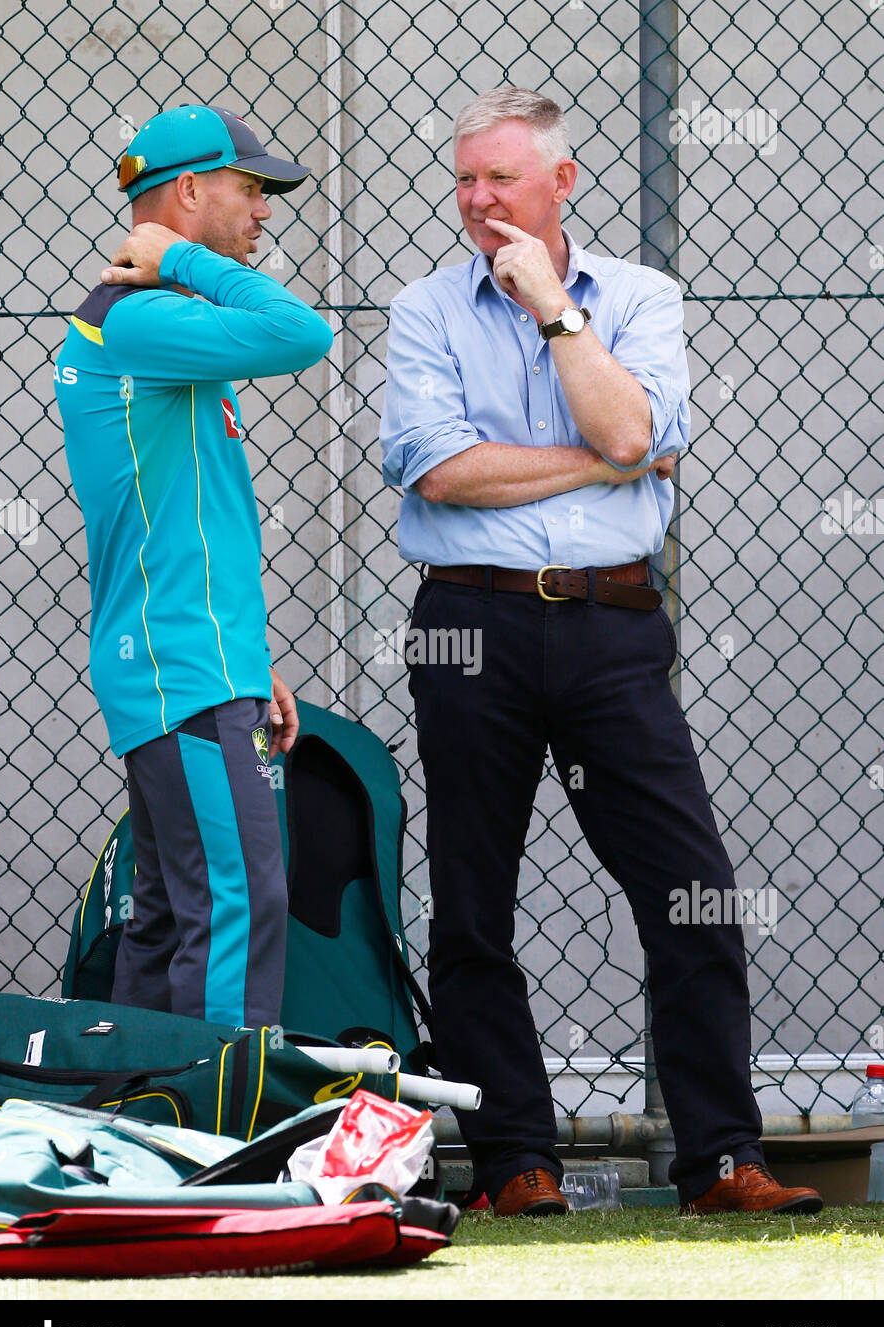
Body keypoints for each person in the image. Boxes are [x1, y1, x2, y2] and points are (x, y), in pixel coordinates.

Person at [380, 87, 821, 1216]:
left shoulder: (637, 297)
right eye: (464, 178)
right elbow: (438, 469)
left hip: (613, 625)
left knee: (692, 892)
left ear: (559, 182)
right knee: (471, 904)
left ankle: (721, 1159)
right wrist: (602, 459)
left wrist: (553, 316)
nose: (476, 200)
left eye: (500, 180)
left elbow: (636, 428)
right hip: (468, 622)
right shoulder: (424, 308)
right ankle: (516, 1161)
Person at [54, 105, 333, 1028]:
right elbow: (302, 334)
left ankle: (141, 1124)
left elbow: (189, 526)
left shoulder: (154, 326)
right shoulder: (142, 316)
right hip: (181, 669)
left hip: (195, 663)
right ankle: (215, 1141)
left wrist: (249, 666)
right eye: (250, 187)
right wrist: (176, 256)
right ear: (188, 190)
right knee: (234, 908)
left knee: (172, 913)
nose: (262, 210)